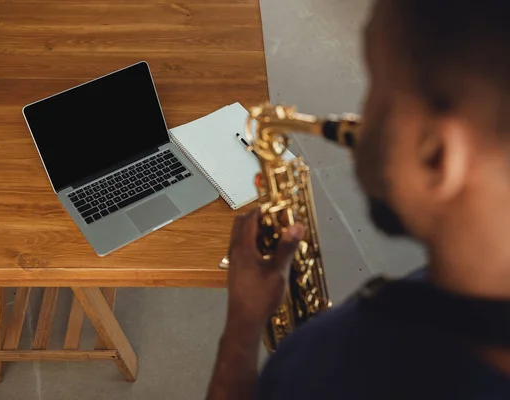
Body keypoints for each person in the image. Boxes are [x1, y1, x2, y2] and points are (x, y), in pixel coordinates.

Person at [206, 0, 510, 398]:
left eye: (378, 88)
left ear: (437, 155)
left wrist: (241, 329)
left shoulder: (326, 369)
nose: (354, 121)